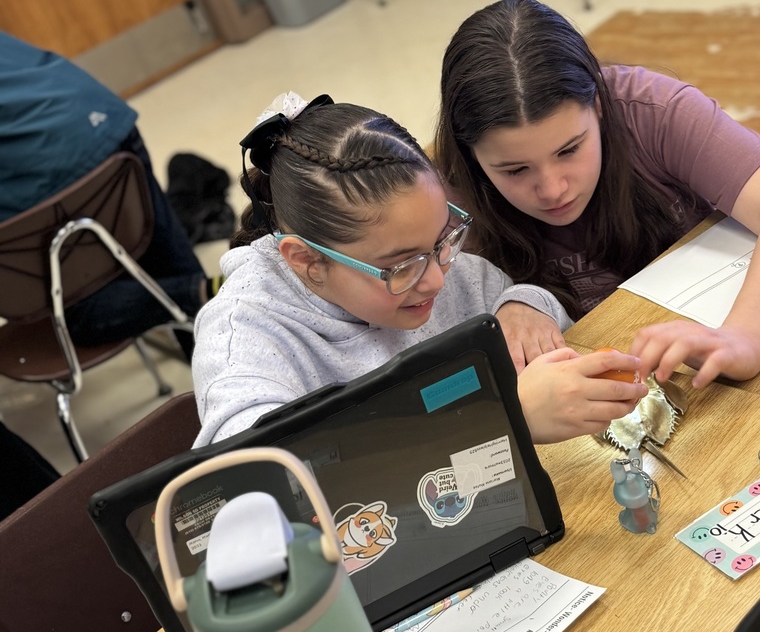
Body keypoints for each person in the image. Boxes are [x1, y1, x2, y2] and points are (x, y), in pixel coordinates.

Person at [190, 93, 647, 447]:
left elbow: (496, 292)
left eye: (443, 239)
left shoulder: (429, 264)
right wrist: (507, 416)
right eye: (401, 266)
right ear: (308, 261)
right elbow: (262, 487)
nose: (436, 279)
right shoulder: (245, 342)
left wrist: (525, 305)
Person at [434, 0, 760, 390]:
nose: (553, 189)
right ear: (470, 155)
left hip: (715, 360)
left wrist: (743, 339)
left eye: (570, 150)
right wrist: (515, 301)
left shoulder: (653, 109)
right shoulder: (443, 196)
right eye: (514, 170)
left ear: (598, 104)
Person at [0, 32, 215, 348]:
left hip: (51, 169)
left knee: (72, 317)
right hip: (99, 116)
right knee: (165, 254)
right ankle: (217, 304)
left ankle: (193, 293)